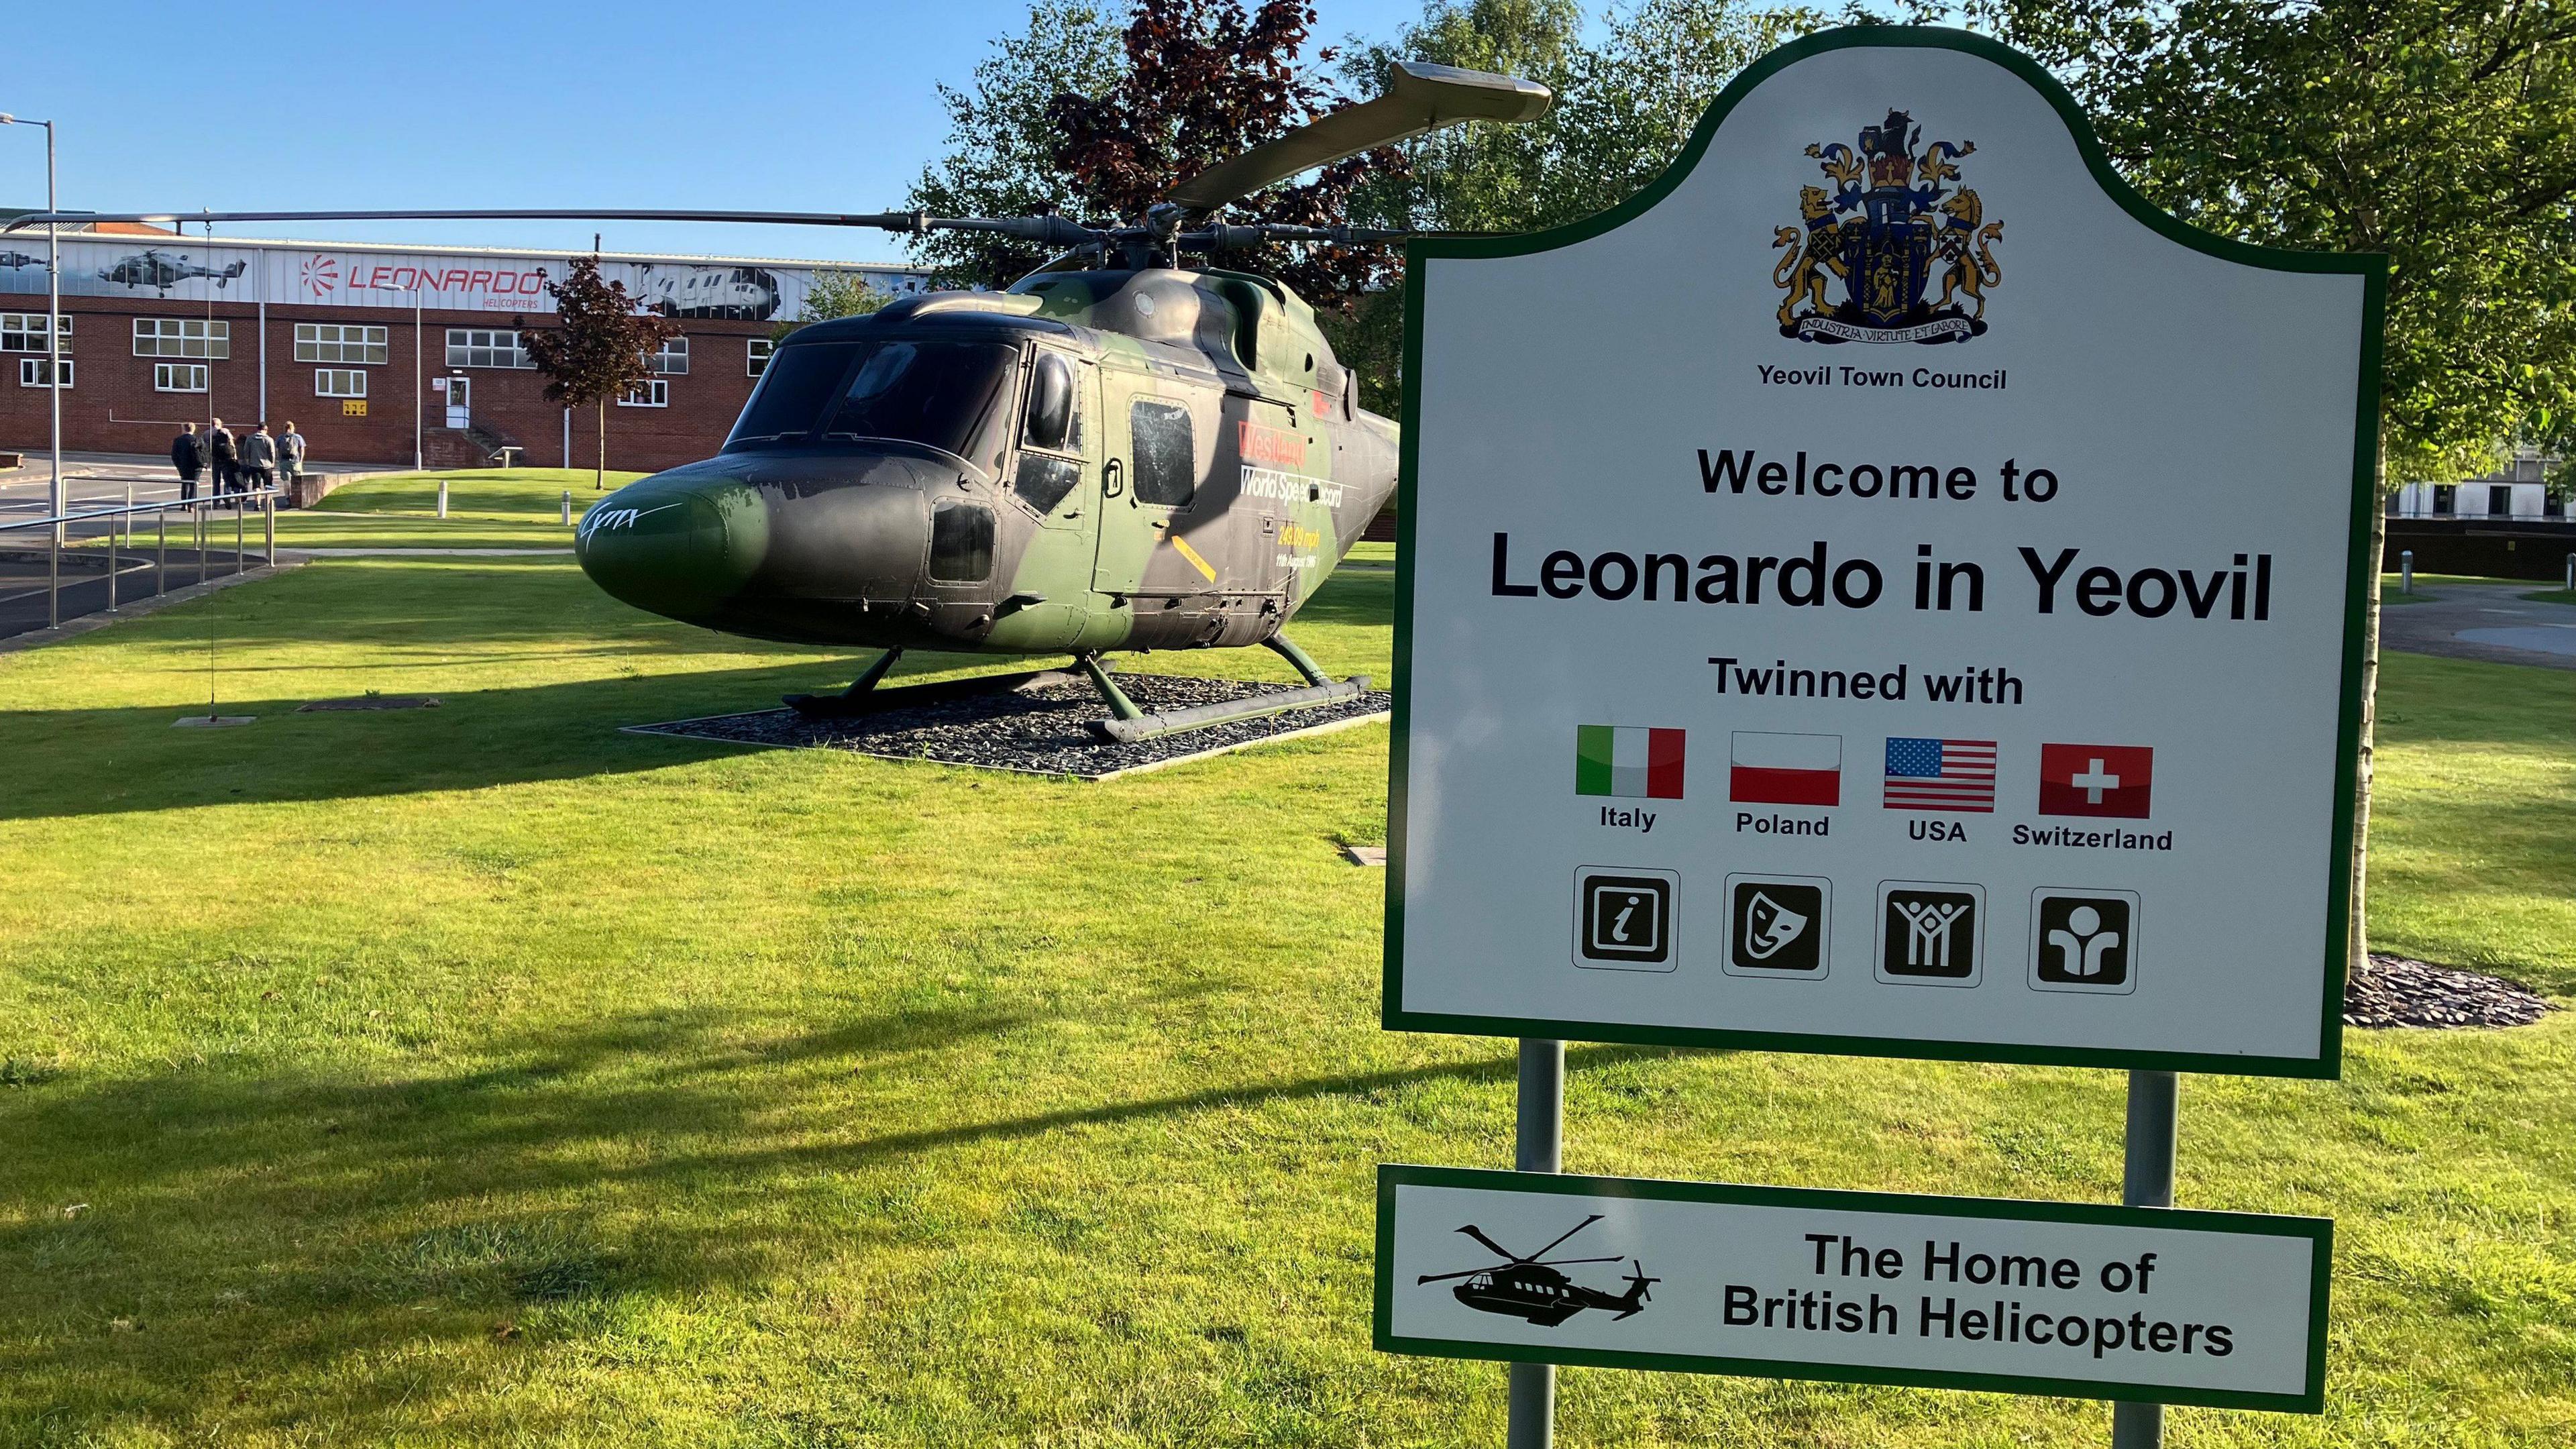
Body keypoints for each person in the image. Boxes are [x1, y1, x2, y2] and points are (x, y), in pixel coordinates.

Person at [240, 423, 278, 500]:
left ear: (258, 429)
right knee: (268, 485)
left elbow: (246, 451)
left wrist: (248, 462)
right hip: (267, 466)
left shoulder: (250, 438)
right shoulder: (269, 439)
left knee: (256, 486)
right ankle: (268, 504)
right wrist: (273, 463)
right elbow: (272, 453)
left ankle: (258, 504)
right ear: (265, 430)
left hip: (254, 465)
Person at [206, 418, 239, 499]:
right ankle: (227, 496)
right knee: (227, 478)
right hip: (226, 459)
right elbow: (232, 444)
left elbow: (205, 448)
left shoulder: (207, 433)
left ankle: (216, 500)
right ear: (219, 424)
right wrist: (235, 455)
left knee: (216, 480)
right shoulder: (225, 431)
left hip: (215, 458)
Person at [170, 422, 204, 501]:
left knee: (185, 484)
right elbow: (203, 453)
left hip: (183, 465)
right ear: (193, 429)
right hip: (196, 466)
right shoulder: (197, 440)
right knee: (194, 484)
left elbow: (174, 455)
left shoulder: (178, 440)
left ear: (184, 429)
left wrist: (178, 465)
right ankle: (191, 504)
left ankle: (184, 503)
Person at [276, 419, 307, 501]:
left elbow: (277, 450)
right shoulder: (298, 437)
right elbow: (302, 449)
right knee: (297, 480)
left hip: (284, 462)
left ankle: (287, 498)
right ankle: (297, 498)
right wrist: (300, 461)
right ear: (293, 428)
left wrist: (280, 459)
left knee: (286, 481)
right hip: (295, 461)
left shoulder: (280, 438)